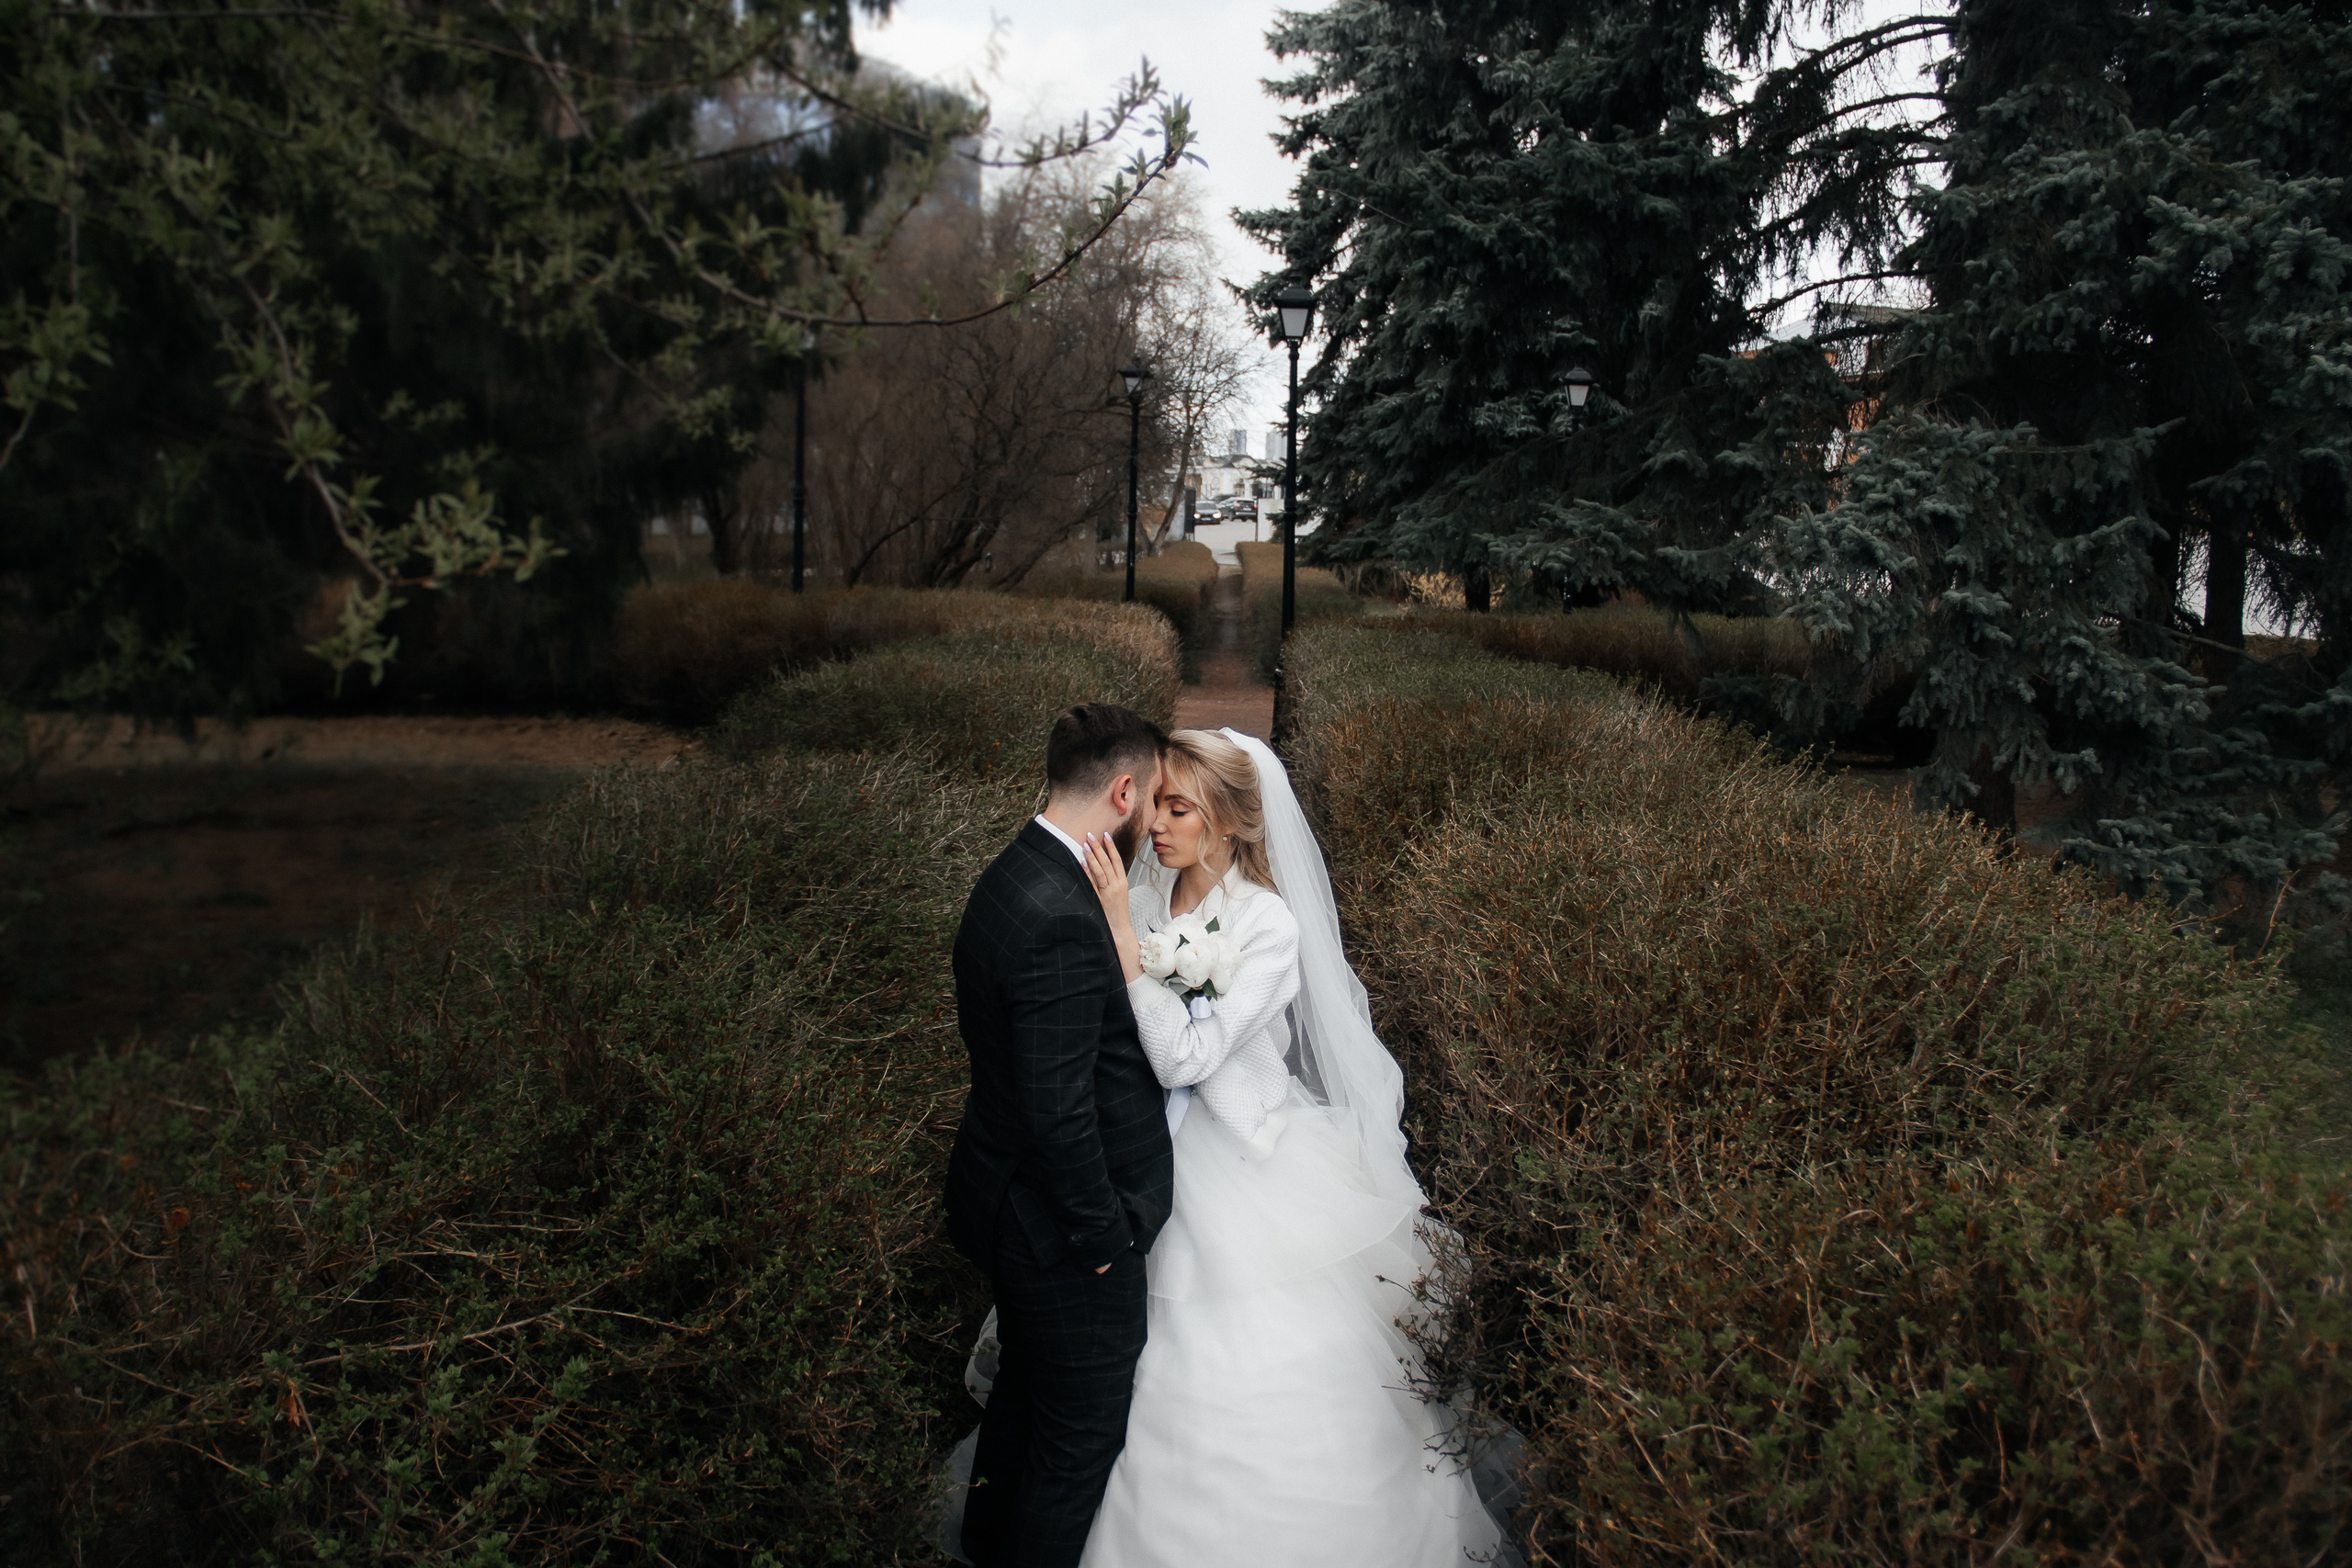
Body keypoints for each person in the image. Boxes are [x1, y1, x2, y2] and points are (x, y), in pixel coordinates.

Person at [1071, 728, 1505, 1565]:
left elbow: (1188, 1055)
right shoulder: (1154, 897)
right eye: (1155, 802)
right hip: (1147, 1154)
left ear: (1229, 822)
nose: (1156, 823)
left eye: (1177, 807)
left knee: (1252, 1351)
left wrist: (1126, 945)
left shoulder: (1268, 926)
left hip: (1241, 1161)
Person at [944, 703, 1173, 1568]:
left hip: (1007, 1200)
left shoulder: (1013, 873)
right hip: (1061, 1234)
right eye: (1152, 801)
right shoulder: (1063, 917)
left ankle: (982, 1543)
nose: (1155, 820)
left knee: (1023, 1401)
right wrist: (1104, 1239)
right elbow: (1058, 1111)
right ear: (1122, 791)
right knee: (1076, 1443)